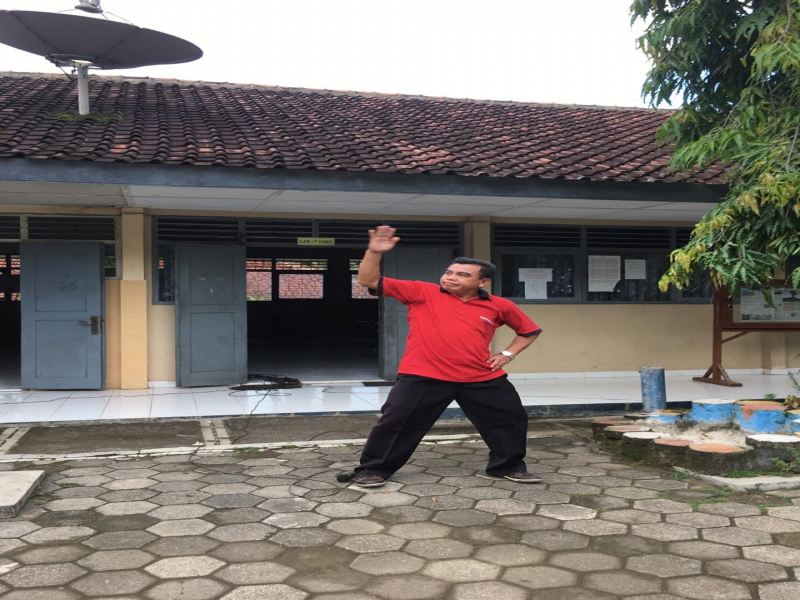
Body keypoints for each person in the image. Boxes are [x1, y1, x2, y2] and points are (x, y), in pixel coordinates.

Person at [348, 225, 543, 488]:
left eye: (462, 275)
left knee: (509, 420)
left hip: (481, 376)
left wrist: (508, 354)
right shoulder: (421, 292)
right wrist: (374, 252)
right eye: (449, 272)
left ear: (482, 282)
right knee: (397, 423)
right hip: (423, 375)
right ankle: (373, 469)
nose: (451, 278)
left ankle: (507, 466)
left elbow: (529, 331)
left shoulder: (499, 305)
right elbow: (369, 280)